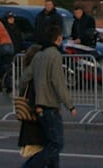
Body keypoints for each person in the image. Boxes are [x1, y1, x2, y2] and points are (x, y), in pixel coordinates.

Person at [22, 22, 76, 168]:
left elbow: (25, 77)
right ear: (58, 39)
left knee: (49, 143)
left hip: (38, 106)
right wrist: (70, 105)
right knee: (57, 144)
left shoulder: (39, 55)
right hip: (50, 106)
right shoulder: (55, 55)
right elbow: (58, 82)